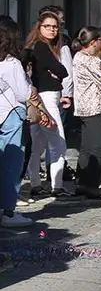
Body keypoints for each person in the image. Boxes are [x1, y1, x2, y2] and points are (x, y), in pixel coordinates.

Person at [23, 11, 76, 200]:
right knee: (58, 143)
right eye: (48, 26)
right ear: (40, 27)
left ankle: (36, 183)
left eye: (55, 26)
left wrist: (56, 72)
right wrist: (57, 72)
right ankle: (57, 186)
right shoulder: (41, 47)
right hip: (47, 100)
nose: (52, 29)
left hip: (40, 99)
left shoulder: (38, 47)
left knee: (37, 144)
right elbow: (62, 70)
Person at [0, 16, 37, 226]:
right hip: (12, 114)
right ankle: (9, 212)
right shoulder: (12, 63)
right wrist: (28, 79)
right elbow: (23, 94)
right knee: (12, 165)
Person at [71, 27, 101, 199]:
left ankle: (81, 181)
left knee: (86, 147)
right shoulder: (92, 60)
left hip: (82, 105)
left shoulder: (78, 56)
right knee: (97, 146)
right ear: (94, 42)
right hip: (94, 106)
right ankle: (92, 184)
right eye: (100, 41)